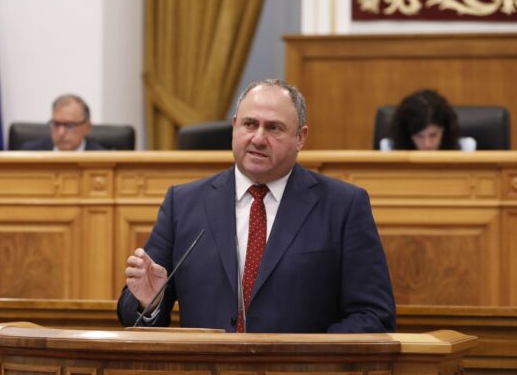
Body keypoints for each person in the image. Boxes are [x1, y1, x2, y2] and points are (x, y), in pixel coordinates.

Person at [117, 79, 395, 333]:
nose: (259, 138)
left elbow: (373, 315)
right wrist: (150, 303)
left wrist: (307, 357)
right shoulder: (184, 203)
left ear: (301, 137)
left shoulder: (343, 206)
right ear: (235, 126)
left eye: (274, 128)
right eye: (249, 124)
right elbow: (135, 313)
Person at [380, 89, 476, 151]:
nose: (427, 144)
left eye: (433, 135)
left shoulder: (465, 150)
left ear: (445, 130)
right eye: (419, 136)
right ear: (407, 134)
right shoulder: (390, 150)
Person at [19, 94, 106, 151]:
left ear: (87, 127)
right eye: (56, 124)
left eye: (69, 125)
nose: (61, 132)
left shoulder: (104, 159)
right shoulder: (30, 154)